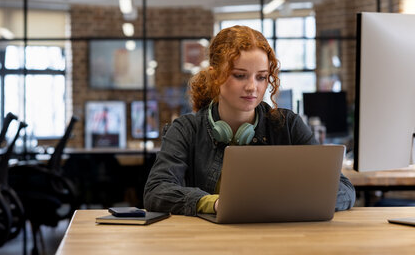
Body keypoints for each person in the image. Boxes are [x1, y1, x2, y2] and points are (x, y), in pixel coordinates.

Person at [143, 25, 355, 216]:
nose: (252, 87)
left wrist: (289, 202)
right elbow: (156, 191)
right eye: (240, 75)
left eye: (261, 77)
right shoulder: (185, 130)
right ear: (215, 75)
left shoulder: (287, 126)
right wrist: (215, 204)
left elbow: (343, 189)